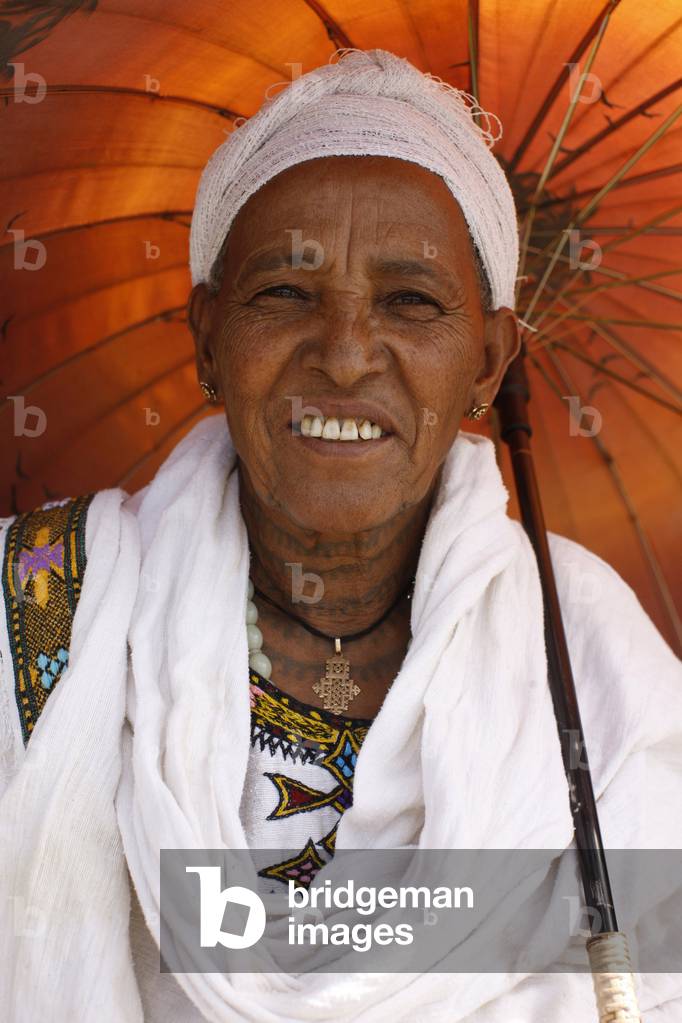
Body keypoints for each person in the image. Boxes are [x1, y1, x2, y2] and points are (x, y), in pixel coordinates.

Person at [0, 48, 680, 1023]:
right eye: (284, 293)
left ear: (489, 360)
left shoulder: (594, 667)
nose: (349, 354)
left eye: (411, 301)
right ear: (205, 336)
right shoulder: (37, 604)